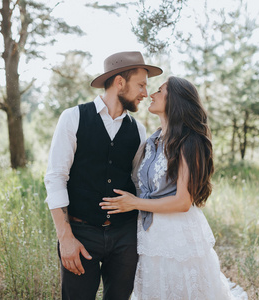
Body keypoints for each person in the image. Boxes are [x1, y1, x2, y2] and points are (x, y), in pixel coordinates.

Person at [100, 76, 248, 299]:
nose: (152, 94)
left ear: (175, 100)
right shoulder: (152, 141)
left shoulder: (190, 142)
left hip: (177, 237)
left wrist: (133, 203)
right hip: (148, 236)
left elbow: (182, 201)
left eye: (160, 90)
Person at [44, 51, 162, 300]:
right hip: (80, 233)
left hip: (124, 237)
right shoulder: (73, 117)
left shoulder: (138, 130)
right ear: (120, 82)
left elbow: (141, 182)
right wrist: (65, 238)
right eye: (140, 85)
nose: (145, 92)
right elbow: (55, 178)